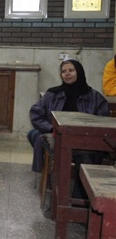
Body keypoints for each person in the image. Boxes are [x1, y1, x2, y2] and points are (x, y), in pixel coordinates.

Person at [28, 60, 109, 200]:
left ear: (79, 72)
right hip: (58, 137)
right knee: (43, 141)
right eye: (64, 71)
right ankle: (58, 196)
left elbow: (104, 122)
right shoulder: (53, 94)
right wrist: (52, 128)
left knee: (84, 159)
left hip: (84, 141)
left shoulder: (95, 97)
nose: (67, 74)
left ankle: (78, 200)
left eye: (71, 70)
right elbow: (36, 114)